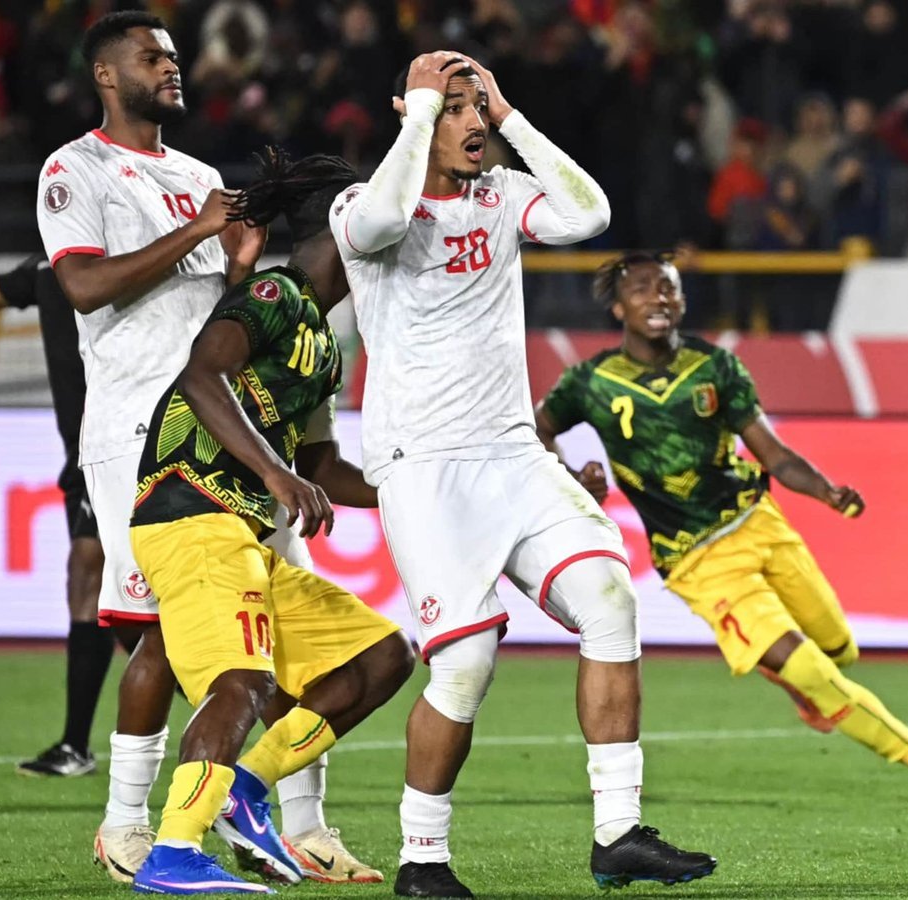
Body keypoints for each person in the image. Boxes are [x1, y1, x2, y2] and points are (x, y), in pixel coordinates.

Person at [329, 52, 716, 898]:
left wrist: (509, 117)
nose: (472, 124)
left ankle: (617, 831)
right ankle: (421, 859)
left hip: (513, 452)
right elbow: (380, 221)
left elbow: (590, 212)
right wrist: (420, 114)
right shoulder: (364, 204)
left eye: (478, 109)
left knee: (611, 600)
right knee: (464, 666)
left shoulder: (501, 196)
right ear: (416, 112)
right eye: (456, 110)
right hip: (425, 467)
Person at [36, 11, 375, 885]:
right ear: (107, 76)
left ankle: (304, 823)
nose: (172, 67)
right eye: (152, 57)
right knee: (156, 635)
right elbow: (81, 286)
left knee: (270, 633)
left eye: (175, 56)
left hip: (232, 425)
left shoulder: (198, 174)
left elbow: (211, 309)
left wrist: (235, 263)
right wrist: (198, 231)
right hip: (135, 429)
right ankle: (126, 826)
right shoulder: (76, 169)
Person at [536, 252, 908, 805]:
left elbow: (774, 453)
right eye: (643, 289)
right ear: (619, 306)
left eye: (668, 288)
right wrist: (574, 480)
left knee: (839, 649)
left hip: (760, 524)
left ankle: (803, 683)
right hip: (698, 561)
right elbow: (534, 429)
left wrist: (826, 491)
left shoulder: (714, 368)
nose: (659, 298)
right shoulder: (590, 382)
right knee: (814, 672)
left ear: (683, 299)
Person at [127, 149, 414, 896]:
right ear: (349, 229)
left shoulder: (323, 344)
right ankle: (172, 852)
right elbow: (202, 371)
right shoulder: (273, 293)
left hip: (241, 533)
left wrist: (414, 488)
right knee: (241, 681)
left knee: (380, 659)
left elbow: (318, 463)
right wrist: (272, 472)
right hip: (190, 517)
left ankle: (243, 790)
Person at [0, 254, 118, 776]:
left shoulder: (125, 257)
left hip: (127, 442)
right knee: (112, 594)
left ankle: (81, 745)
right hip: (83, 452)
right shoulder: (47, 267)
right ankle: (80, 745)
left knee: (93, 574)